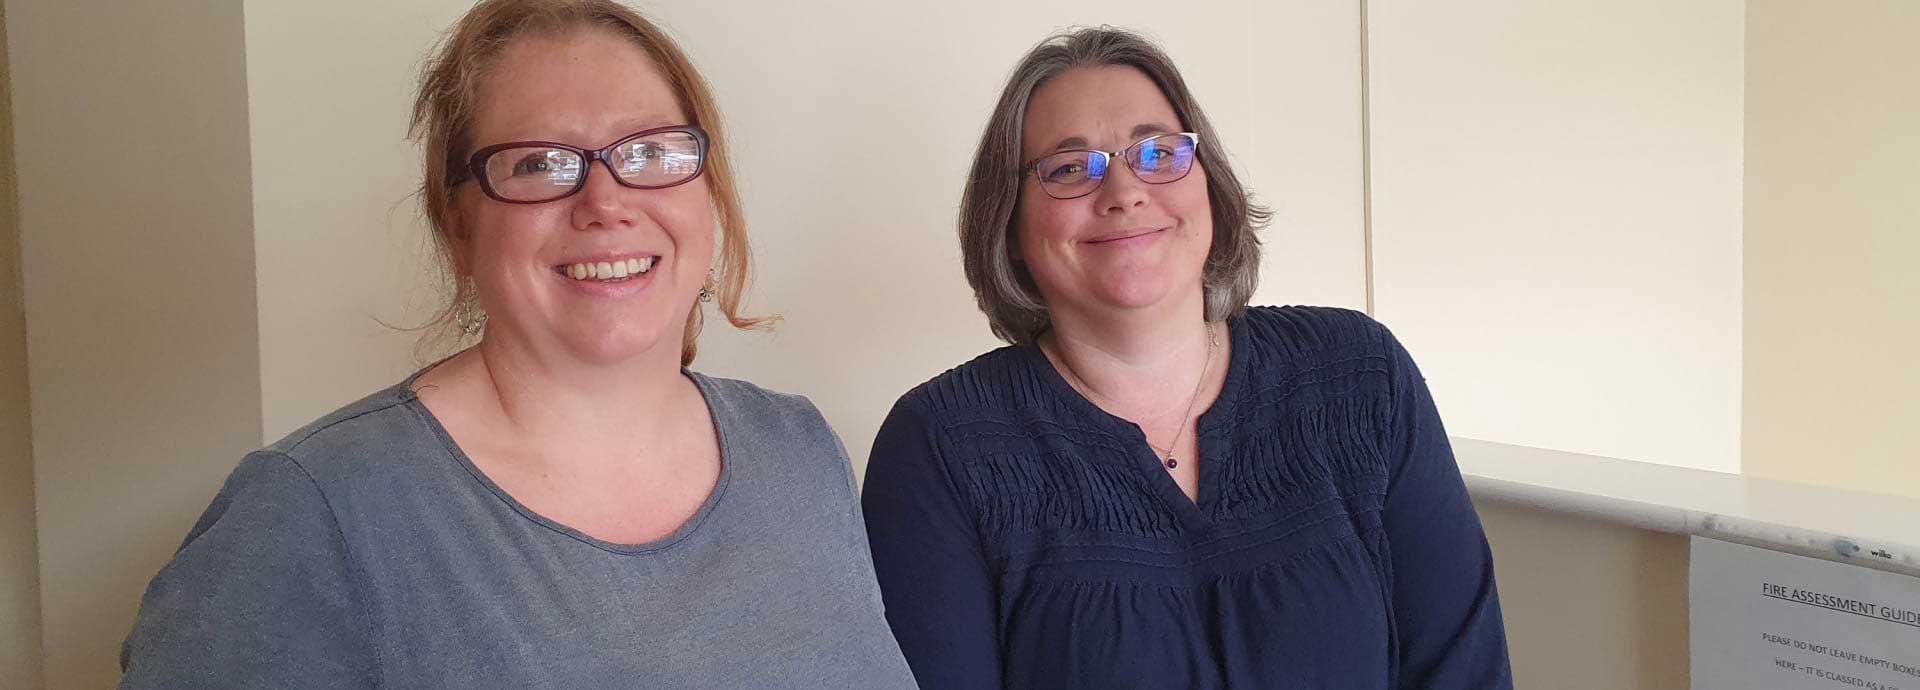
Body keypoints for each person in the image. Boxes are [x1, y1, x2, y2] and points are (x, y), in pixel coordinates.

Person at [119, 2, 916, 687]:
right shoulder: (310, 513)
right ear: (458, 225)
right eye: (538, 163)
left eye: (649, 152)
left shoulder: (798, 448)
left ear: (706, 191)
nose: (605, 202)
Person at [862, 27, 1512, 690]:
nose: (1124, 191)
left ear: (1209, 186)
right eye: (1070, 168)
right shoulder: (939, 448)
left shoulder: (1361, 375)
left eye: (1157, 152)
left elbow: (1464, 673)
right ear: (1010, 227)